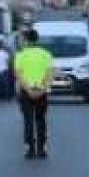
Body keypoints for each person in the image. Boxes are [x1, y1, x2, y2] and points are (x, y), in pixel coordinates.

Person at [15, 29, 52, 158]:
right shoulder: (46, 54)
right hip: (42, 91)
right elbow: (49, 75)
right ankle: (41, 149)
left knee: (28, 120)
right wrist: (42, 89)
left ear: (26, 40)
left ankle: (30, 149)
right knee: (41, 120)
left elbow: (19, 76)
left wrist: (28, 90)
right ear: (37, 39)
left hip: (26, 92)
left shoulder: (20, 55)